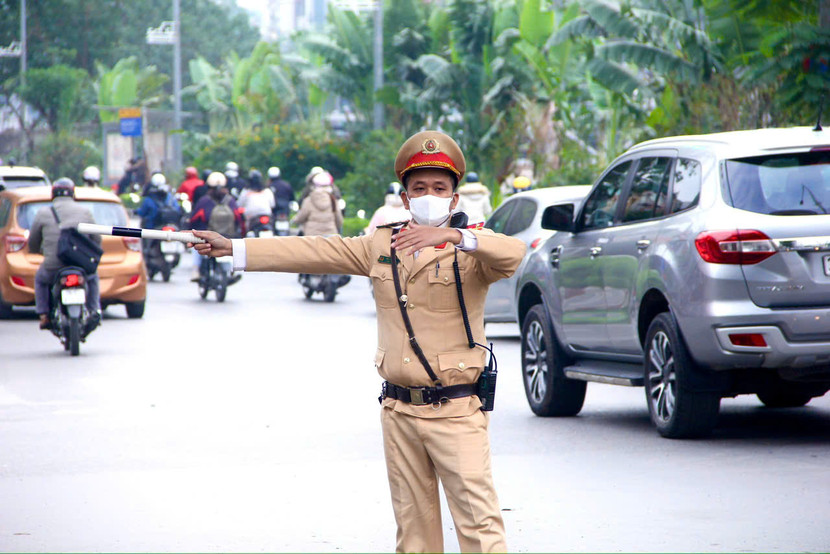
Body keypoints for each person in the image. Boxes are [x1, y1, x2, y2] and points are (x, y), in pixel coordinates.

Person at [190, 130, 526, 553]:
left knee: (480, 529)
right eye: (418, 188)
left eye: (440, 189)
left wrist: (453, 237)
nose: (429, 196)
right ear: (404, 199)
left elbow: (513, 253)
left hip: (456, 409)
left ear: (454, 199)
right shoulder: (381, 244)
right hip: (399, 410)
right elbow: (312, 250)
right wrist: (235, 248)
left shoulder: (472, 248)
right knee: (414, 536)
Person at [28, 178, 101, 331]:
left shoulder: (43, 213)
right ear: (72, 193)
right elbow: (96, 239)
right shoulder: (85, 212)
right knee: (93, 277)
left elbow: (33, 242)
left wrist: (37, 250)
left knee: (40, 280)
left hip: (53, 267)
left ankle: (44, 315)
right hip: (80, 263)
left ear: (53, 194)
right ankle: (94, 310)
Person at [189, 171, 243, 281]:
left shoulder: (204, 201)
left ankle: (196, 271)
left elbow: (194, 219)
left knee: (196, 247)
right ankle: (233, 271)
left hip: (208, 237)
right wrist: (241, 233)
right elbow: (239, 218)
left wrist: (192, 230)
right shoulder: (231, 200)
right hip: (229, 236)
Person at [291, 170, 343, 235]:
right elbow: (339, 220)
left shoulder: (308, 200)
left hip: (312, 235)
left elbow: (302, 216)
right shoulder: (333, 200)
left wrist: (294, 220)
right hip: (330, 235)